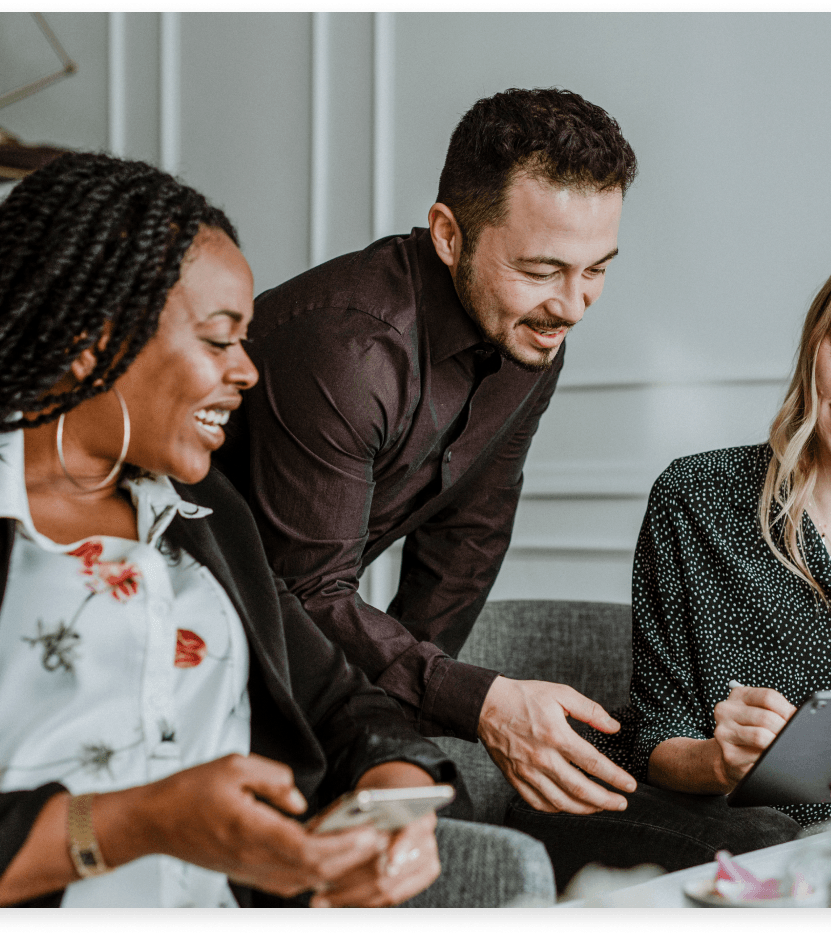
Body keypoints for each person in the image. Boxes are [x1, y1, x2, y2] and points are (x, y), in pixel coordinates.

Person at [0, 152, 457, 909]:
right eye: (217, 338)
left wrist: (396, 803)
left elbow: (341, 704)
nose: (248, 372)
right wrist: (144, 821)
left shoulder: (208, 517)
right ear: (91, 340)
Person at [504, 228, 831, 888]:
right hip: (695, 822)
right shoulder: (698, 500)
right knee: (777, 839)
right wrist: (722, 761)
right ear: (814, 345)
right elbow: (659, 740)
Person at [216, 87, 641, 815]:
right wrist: (474, 704)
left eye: (596, 269)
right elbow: (308, 589)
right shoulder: (348, 349)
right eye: (541, 269)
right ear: (449, 235)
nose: (572, 306)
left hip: (313, 658)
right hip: (192, 640)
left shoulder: (531, 335)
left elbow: (466, 542)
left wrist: (401, 730)